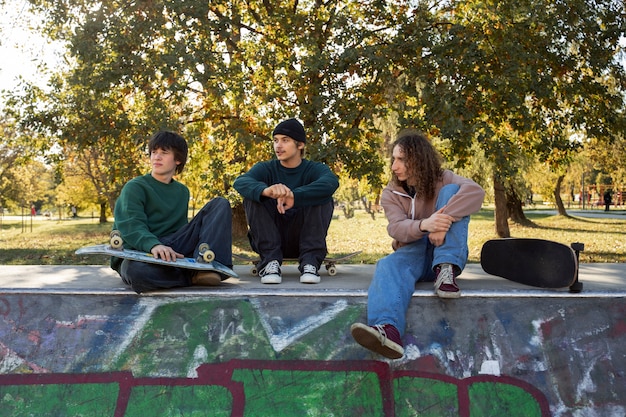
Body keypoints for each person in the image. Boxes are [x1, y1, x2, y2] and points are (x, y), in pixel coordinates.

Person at [351, 129, 485, 359]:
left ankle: (446, 270)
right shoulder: (391, 193)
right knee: (386, 265)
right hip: (415, 254)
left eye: (401, 159)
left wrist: (443, 223)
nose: (394, 166)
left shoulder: (444, 178)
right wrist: (426, 225)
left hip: (447, 250)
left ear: (419, 159)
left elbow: (476, 193)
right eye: (393, 159)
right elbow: (396, 228)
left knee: (453, 192)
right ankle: (388, 330)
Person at [111, 130, 233, 294]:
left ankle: (209, 265)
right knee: (136, 272)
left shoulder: (182, 191)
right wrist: (154, 245)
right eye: (154, 152)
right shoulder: (135, 187)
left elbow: (180, 230)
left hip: (172, 248)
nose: (156, 157)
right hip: (140, 252)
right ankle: (193, 277)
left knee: (220, 203)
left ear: (178, 160)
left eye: (164, 152)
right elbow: (131, 226)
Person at [233, 118, 339, 284]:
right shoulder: (266, 168)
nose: (278, 146)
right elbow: (240, 182)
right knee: (253, 196)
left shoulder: (314, 169)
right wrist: (266, 190)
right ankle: (270, 263)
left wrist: (294, 196)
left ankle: (310, 262)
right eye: (275, 141)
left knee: (323, 195)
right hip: (270, 237)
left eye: (285, 140)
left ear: (300, 145)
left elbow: (331, 182)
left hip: (304, 237)